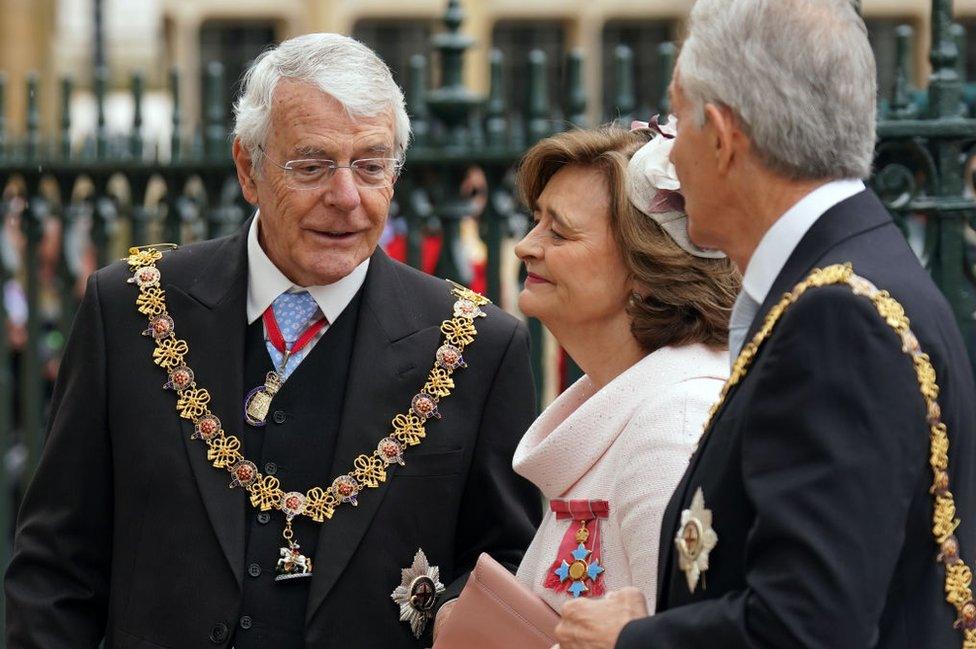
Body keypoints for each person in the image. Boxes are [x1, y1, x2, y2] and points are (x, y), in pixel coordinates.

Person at [5, 33, 541, 649]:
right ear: (247, 169)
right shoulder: (128, 309)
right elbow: (55, 568)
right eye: (311, 166)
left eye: (371, 165)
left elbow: (506, 573)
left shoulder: (478, 345)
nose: (346, 197)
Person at [552, 1, 976, 648]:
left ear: (722, 137)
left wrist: (631, 638)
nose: (670, 154)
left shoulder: (838, 317)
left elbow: (805, 629)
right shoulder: (844, 282)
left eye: (678, 120)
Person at [509, 123, 737, 614]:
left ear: (646, 270)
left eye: (559, 231)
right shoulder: (641, 407)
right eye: (535, 221)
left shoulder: (674, 428)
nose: (525, 246)